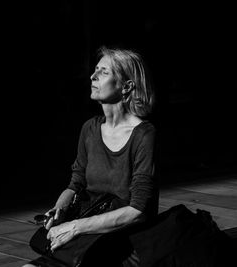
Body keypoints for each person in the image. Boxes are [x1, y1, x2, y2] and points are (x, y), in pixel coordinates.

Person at [23, 46, 157, 267]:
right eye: (95, 70)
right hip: (89, 230)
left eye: (104, 72)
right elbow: (77, 183)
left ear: (127, 86)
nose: (93, 76)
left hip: (122, 238)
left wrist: (75, 227)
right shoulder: (90, 128)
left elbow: (138, 211)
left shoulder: (143, 135)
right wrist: (60, 209)